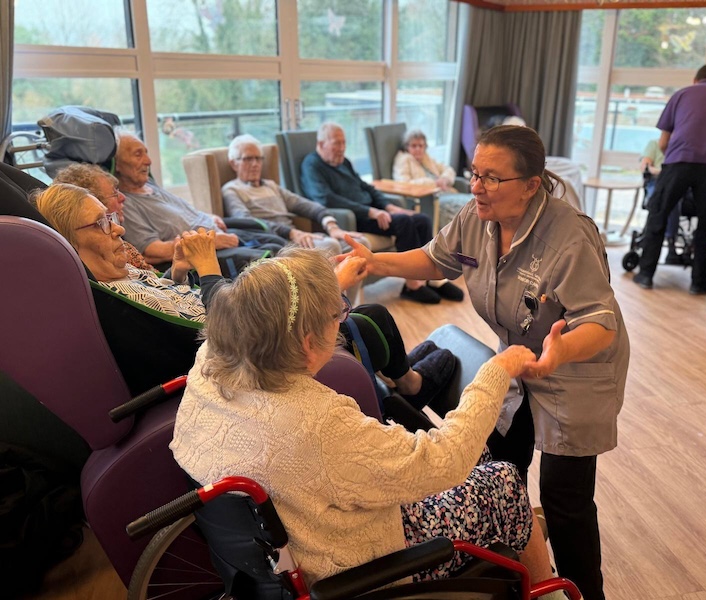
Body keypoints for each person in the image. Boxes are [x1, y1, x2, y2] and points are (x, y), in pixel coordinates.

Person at [339, 124, 630, 600]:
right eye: (475, 173)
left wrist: (559, 353)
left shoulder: (569, 236)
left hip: (577, 366)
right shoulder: (478, 216)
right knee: (500, 467)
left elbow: (601, 322)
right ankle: (510, 572)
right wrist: (377, 262)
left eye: (492, 178)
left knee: (565, 501)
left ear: (531, 184)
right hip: (518, 359)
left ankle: (583, 594)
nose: (476, 186)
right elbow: (437, 260)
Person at [170, 247, 556, 592]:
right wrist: (497, 369)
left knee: (481, 453)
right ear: (306, 342)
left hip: (284, 539)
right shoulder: (318, 422)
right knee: (504, 480)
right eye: (337, 313)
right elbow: (446, 459)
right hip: (352, 561)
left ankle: (519, 532)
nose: (342, 320)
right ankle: (546, 584)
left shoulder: (210, 361)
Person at [34, 183, 456, 409]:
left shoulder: (122, 281)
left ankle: (392, 379)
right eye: (102, 222)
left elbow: (177, 315)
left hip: (240, 332)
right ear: (69, 240)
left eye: (111, 218)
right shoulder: (112, 302)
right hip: (250, 355)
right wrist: (208, 269)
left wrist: (180, 271)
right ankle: (409, 384)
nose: (118, 228)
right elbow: (220, 334)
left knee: (360, 310)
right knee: (369, 316)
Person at [300, 122, 463, 305]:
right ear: (321, 144)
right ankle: (412, 286)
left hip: (372, 211)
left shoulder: (344, 162)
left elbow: (366, 187)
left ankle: (434, 280)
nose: (342, 148)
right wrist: (370, 212)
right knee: (404, 223)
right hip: (354, 218)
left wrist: (388, 207)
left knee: (421, 219)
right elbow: (326, 199)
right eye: (337, 143)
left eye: (344, 143)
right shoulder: (312, 165)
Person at [114, 130, 286, 277]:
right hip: (205, 252)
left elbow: (183, 211)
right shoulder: (126, 203)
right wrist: (211, 242)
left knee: (278, 243)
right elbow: (152, 251)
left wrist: (208, 216)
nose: (148, 161)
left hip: (214, 233)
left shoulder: (149, 186)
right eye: (138, 154)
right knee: (274, 258)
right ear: (118, 165)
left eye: (146, 153)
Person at [633, 64, 706, 295]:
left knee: (659, 214)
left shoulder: (681, 94)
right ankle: (699, 282)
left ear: (695, 79)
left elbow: (663, 142)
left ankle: (645, 275)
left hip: (678, 161)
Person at [223, 134, 365, 256]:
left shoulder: (271, 186)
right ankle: (336, 288)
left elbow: (304, 205)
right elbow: (247, 222)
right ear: (233, 163)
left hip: (295, 237)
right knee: (330, 247)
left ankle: (346, 289)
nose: (255, 164)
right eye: (248, 159)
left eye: (258, 158)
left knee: (359, 244)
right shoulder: (232, 190)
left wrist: (331, 225)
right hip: (274, 242)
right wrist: (290, 232)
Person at [53, 162, 154, 270]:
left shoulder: (123, 248)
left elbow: (157, 280)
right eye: (114, 193)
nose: (123, 197)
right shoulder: (119, 252)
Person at [392, 129, 472, 227]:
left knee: (472, 204)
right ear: (407, 147)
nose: (418, 149)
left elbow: (447, 169)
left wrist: (445, 179)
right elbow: (404, 183)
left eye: (421, 146)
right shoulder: (403, 160)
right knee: (465, 211)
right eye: (414, 146)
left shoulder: (426, 158)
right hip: (431, 199)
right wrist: (434, 183)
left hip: (445, 192)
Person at [640, 139, 682, 265]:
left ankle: (670, 240)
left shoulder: (682, 148)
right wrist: (663, 172)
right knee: (665, 199)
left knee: (674, 198)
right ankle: (670, 241)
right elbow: (645, 166)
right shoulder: (654, 144)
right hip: (657, 181)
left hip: (677, 184)